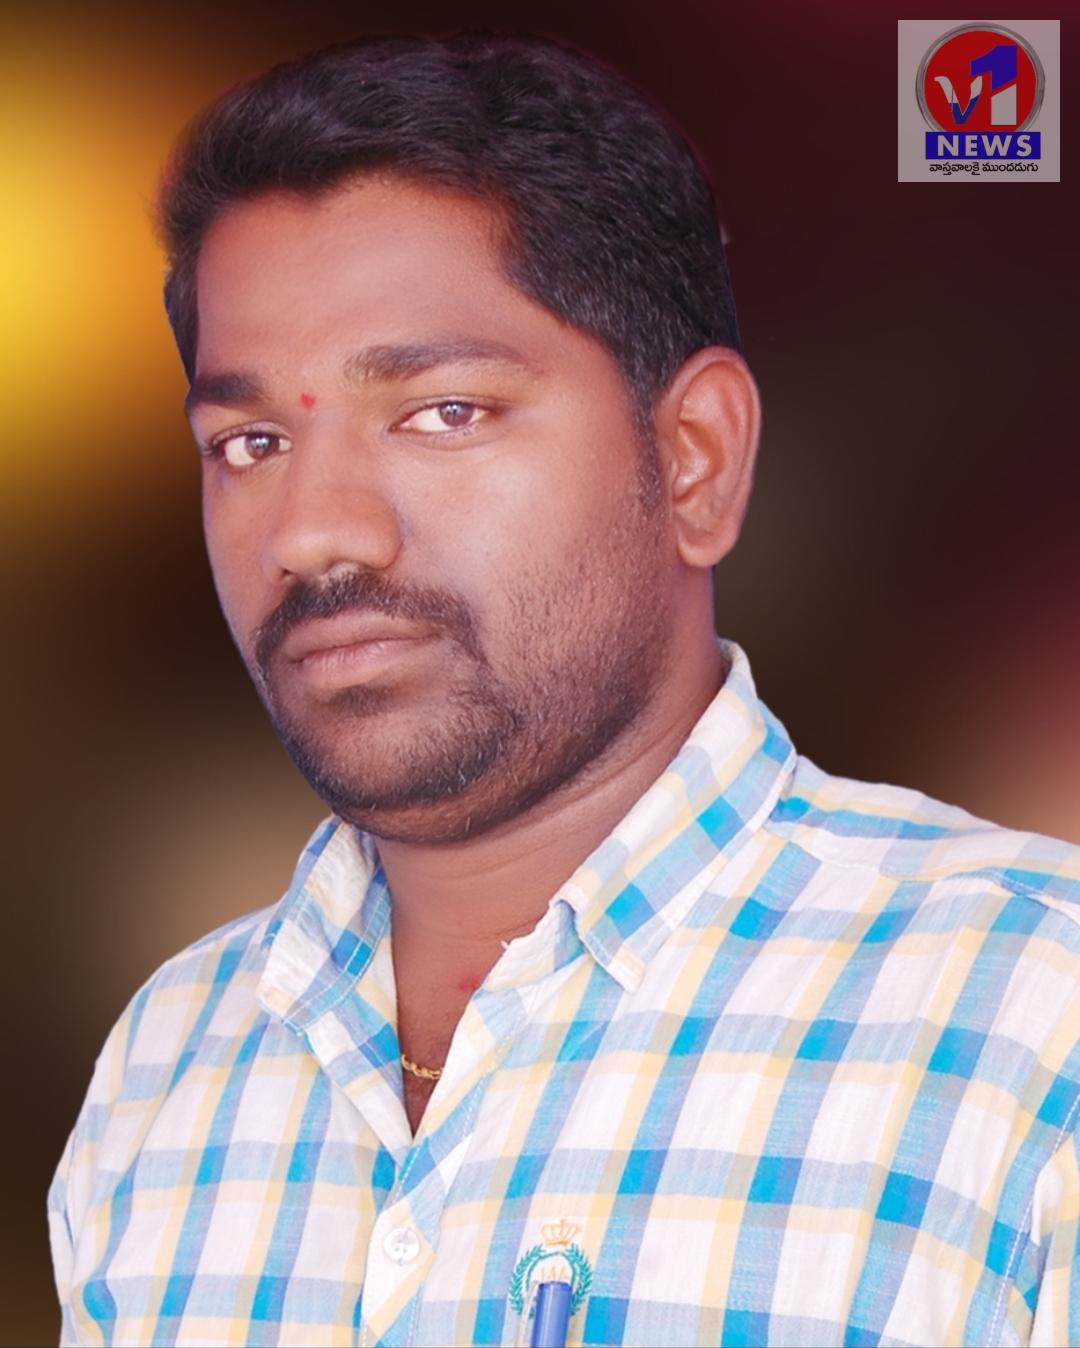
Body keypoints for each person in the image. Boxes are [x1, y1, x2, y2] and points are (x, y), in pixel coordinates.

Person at [49, 32, 1079, 1348]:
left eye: (443, 413)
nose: (311, 532)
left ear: (695, 458)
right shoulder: (167, 1063)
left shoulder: (1031, 1018)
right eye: (249, 441)